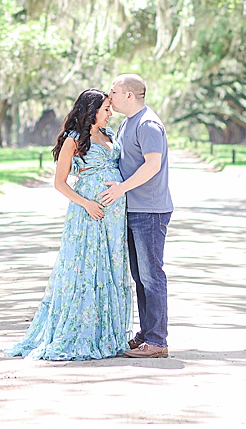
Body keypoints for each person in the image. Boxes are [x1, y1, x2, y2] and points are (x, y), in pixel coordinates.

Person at [4, 89, 131, 360]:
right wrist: (87, 203)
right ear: (92, 110)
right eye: (106, 109)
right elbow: (60, 182)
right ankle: (81, 333)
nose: (111, 113)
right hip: (88, 215)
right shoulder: (73, 140)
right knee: (87, 268)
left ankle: (108, 334)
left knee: (110, 266)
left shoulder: (110, 135)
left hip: (114, 218)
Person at [99, 74, 174, 358]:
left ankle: (157, 341)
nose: (110, 97)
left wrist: (120, 190)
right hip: (133, 209)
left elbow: (152, 166)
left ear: (129, 95)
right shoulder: (126, 123)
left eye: (114, 92)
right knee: (140, 276)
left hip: (150, 210)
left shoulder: (148, 124)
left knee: (152, 276)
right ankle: (146, 333)